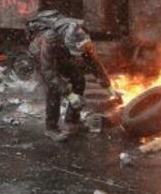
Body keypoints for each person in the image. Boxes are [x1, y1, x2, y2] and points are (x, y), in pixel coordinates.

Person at [26, 10, 119, 142]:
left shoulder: (81, 37)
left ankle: (72, 121)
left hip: (62, 53)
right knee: (53, 89)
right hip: (42, 56)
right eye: (76, 53)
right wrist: (69, 95)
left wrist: (108, 86)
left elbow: (93, 62)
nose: (80, 56)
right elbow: (49, 73)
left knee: (79, 79)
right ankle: (51, 128)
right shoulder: (50, 39)